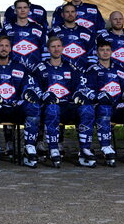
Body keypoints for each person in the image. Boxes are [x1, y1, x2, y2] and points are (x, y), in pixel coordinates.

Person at [30, 36, 94, 168]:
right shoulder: (40, 68)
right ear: (48, 49)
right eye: (53, 46)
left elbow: (80, 87)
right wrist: (43, 95)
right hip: (49, 106)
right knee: (53, 109)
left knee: (87, 109)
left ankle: (85, 149)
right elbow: (34, 87)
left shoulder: (70, 67)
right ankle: (53, 148)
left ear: (63, 48)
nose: (56, 49)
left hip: (68, 105)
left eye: (58, 46)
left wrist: (78, 95)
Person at [0, 35, 42, 168]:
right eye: (1, 45)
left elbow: (28, 86)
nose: (4, 48)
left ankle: (29, 147)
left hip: (15, 108)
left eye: (7, 46)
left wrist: (28, 92)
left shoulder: (19, 67)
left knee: (34, 106)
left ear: (11, 48)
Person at [85, 41, 124, 167]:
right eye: (102, 49)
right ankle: (106, 147)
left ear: (112, 52)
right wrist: (98, 96)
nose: (105, 52)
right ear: (97, 52)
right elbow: (88, 90)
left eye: (108, 49)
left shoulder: (120, 69)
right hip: (100, 107)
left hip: (119, 106)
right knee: (104, 109)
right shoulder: (92, 70)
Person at [3, 0, 47, 72]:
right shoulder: (7, 29)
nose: (22, 10)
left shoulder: (38, 28)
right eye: (19, 8)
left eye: (25, 7)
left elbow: (45, 50)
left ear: (29, 10)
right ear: (15, 11)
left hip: (35, 71)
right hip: (13, 72)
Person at [48, 3, 96, 70]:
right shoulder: (54, 32)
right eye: (67, 12)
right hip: (61, 71)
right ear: (62, 14)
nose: (70, 14)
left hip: (82, 72)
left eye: (72, 12)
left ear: (76, 14)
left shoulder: (87, 32)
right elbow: (49, 52)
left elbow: (92, 54)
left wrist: (90, 69)